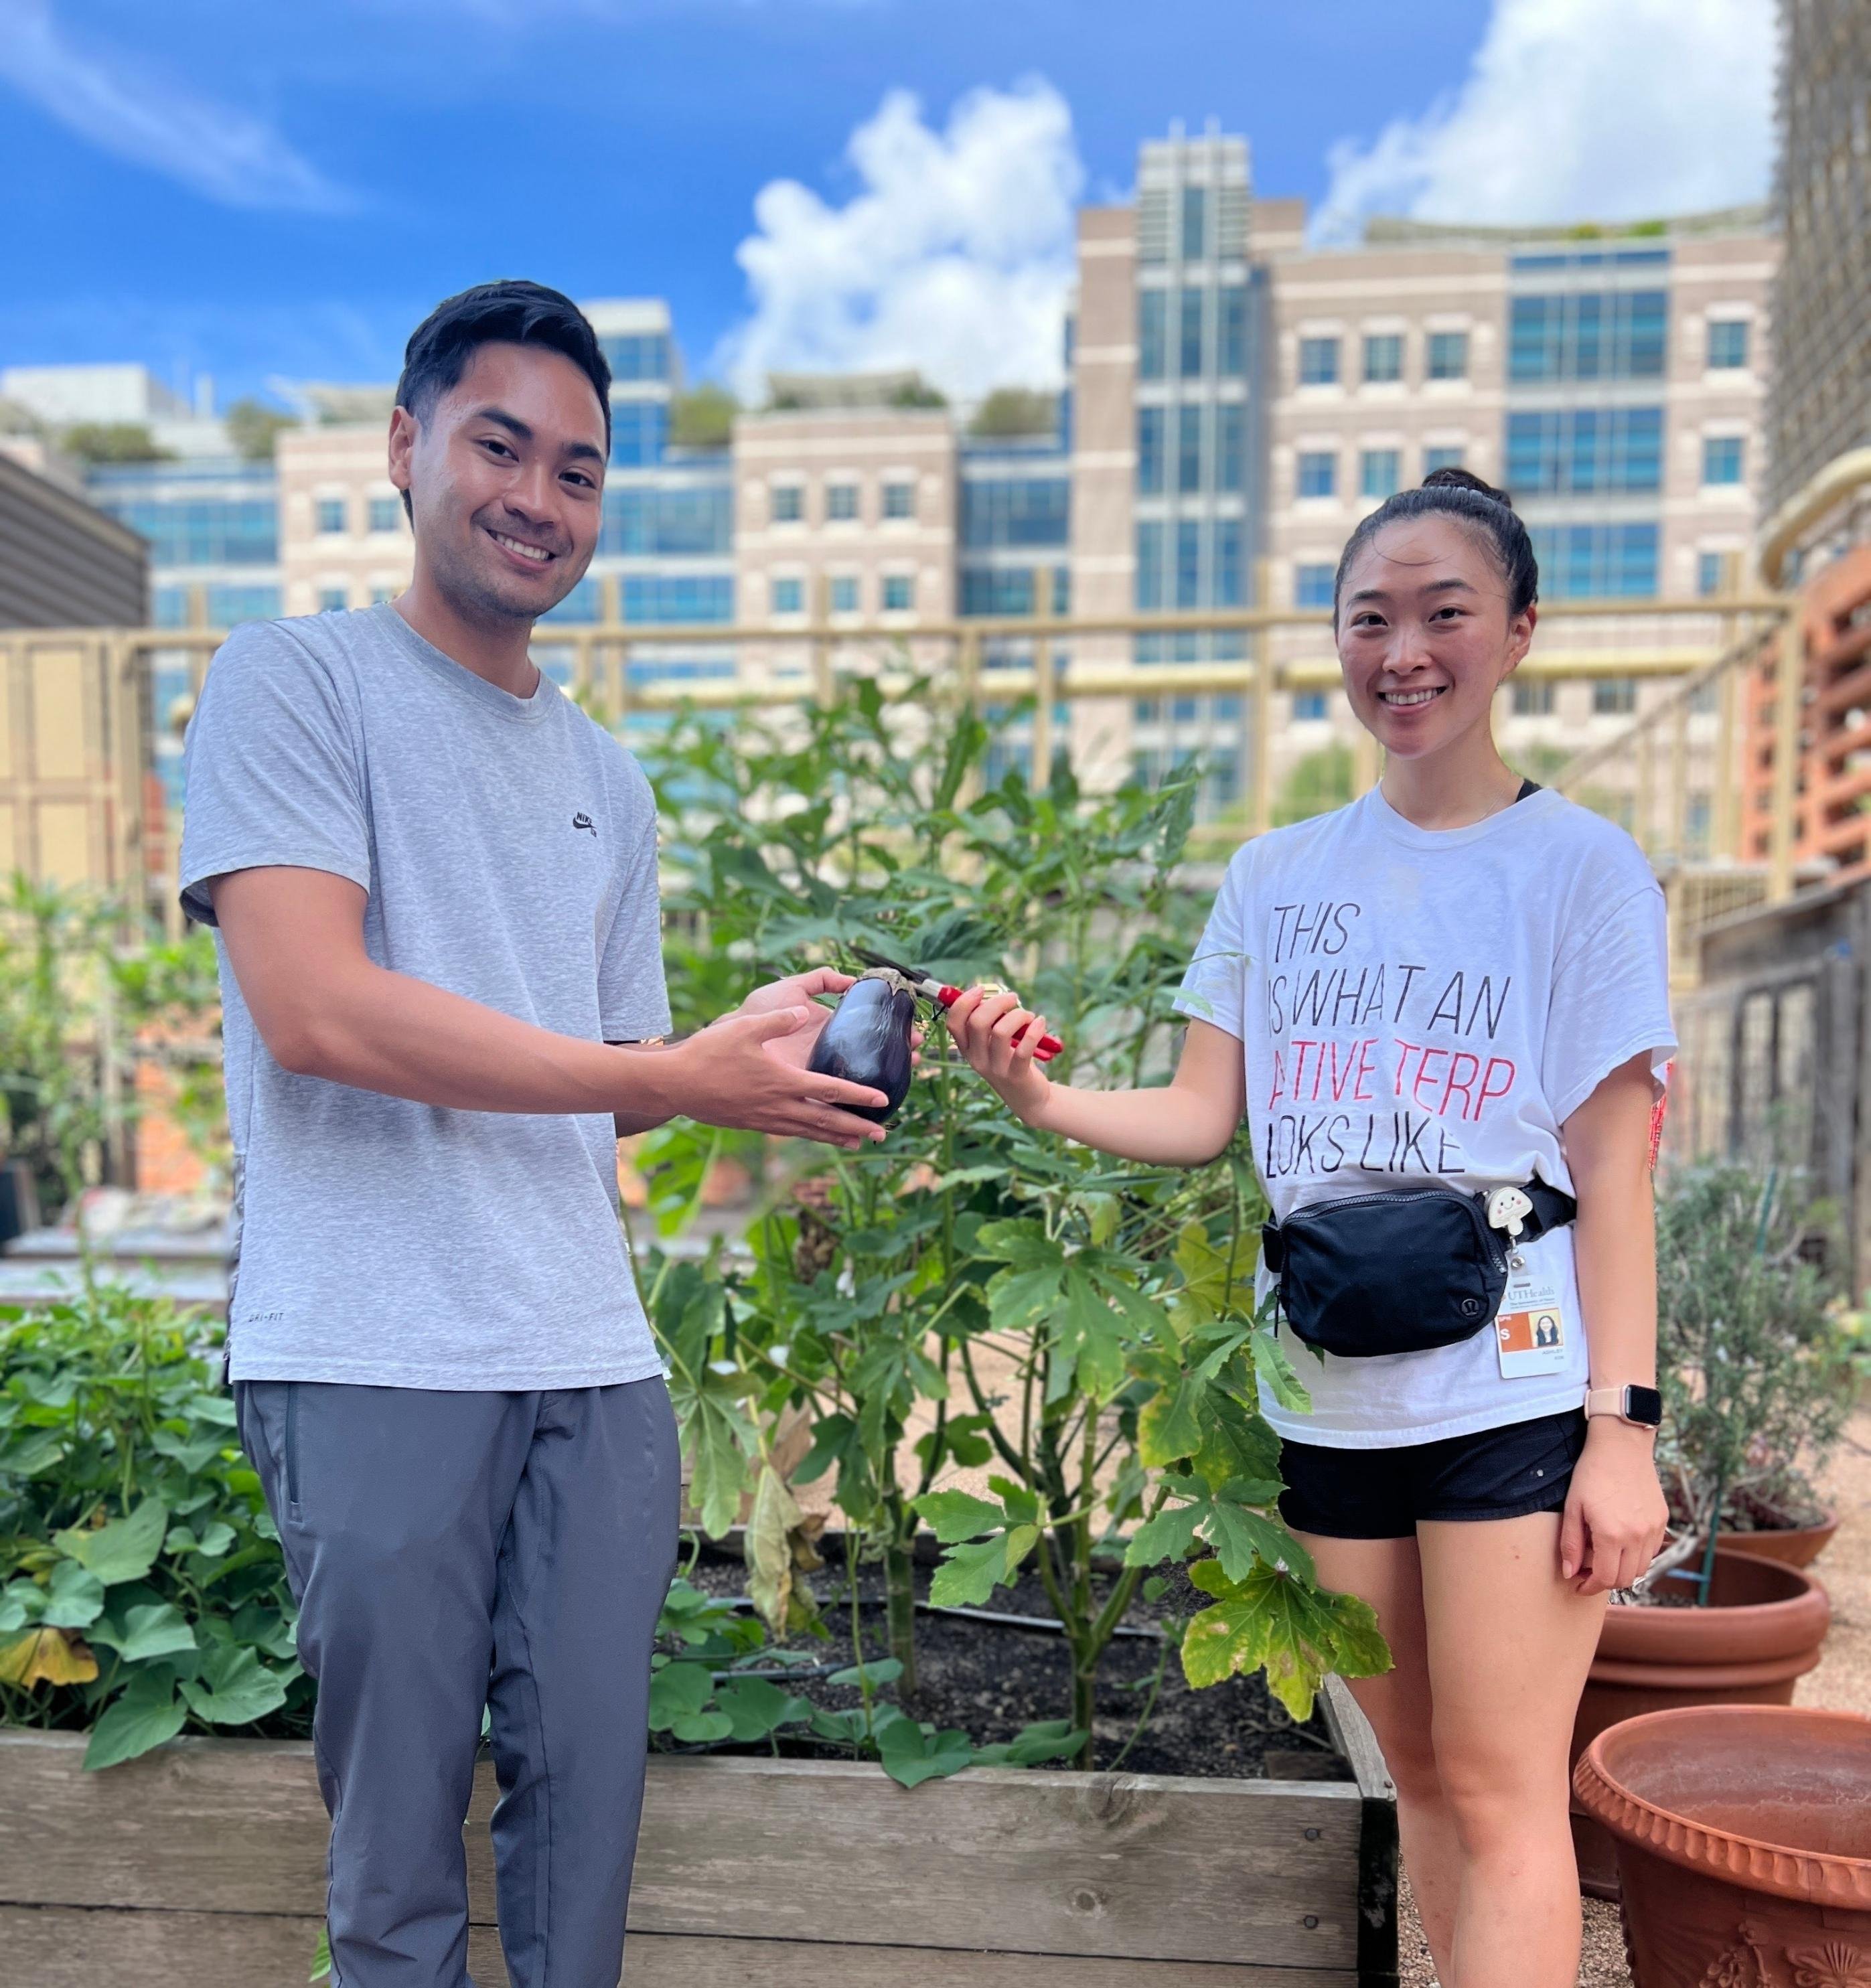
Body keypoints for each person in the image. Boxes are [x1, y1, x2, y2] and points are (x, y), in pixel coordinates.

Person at [178, 280, 895, 1988]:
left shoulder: (610, 780)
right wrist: (667, 1077)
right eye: (500, 447)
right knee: (396, 1851)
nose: (537, 498)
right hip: (368, 1344)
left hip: (587, 1350)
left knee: (585, 1839)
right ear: (406, 446)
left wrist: (753, 1059)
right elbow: (319, 1010)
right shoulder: (291, 686)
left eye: (579, 473)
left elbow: (616, 1071)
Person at [944, 467, 1673, 1988]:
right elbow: (1202, 1116)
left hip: (1515, 1384)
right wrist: (1036, 1101)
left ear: (1517, 632)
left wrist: (1624, 1431)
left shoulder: (1579, 870)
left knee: (1502, 1789)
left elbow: (1617, 1169)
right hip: (1330, 1387)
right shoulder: (1274, 878)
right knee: (1419, 1790)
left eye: (1442, 614)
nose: (1401, 651)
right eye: (1367, 619)